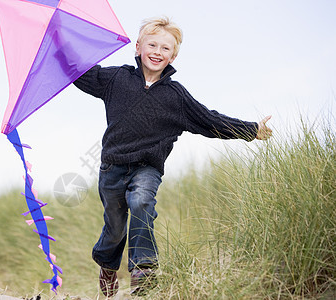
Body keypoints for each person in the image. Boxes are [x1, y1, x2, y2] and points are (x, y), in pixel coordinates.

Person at [73, 16, 272, 297]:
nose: (157, 51)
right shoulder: (116, 78)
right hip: (112, 167)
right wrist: (58, 45)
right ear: (138, 48)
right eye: (151, 44)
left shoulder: (175, 96)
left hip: (147, 168)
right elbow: (79, 73)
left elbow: (209, 120)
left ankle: (143, 271)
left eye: (165, 48)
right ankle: (107, 265)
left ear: (173, 55)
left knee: (141, 203)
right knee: (115, 227)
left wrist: (251, 129)